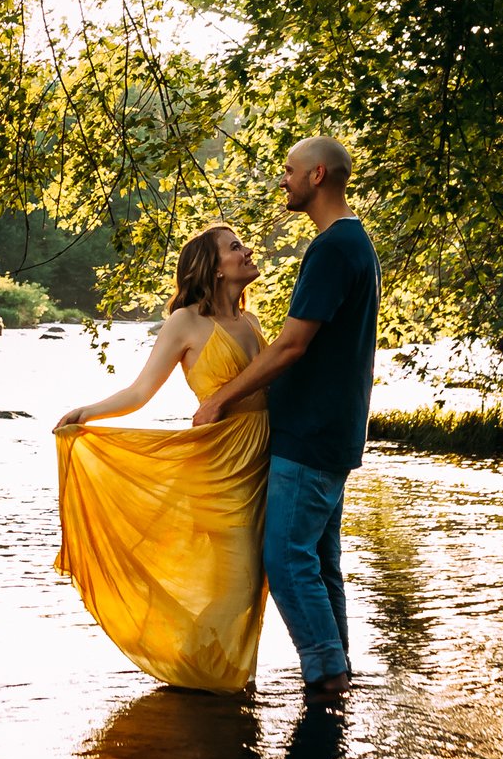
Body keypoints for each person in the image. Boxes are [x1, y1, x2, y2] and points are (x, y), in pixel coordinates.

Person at [191, 136, 378, 700]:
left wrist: (220, 399)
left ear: (318, 175)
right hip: (333, 431)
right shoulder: (354, 243)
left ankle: (326, 676)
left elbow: (292, 345)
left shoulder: (332, 249)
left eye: (291, 171)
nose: (284, 181)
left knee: (286, 557)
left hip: (310, 432)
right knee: (320, 561)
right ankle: (338, 675)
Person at [51, 223, 271, 692]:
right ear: (212, 268)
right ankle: (202, 674)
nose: (247, 250)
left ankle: (229, 682)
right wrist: (87, 413)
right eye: (235, 247)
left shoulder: (251, 321)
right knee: (240, 581)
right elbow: (140, 390)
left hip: (264, 457)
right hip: (220, 464)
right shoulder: (185, 323)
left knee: (254, 585)